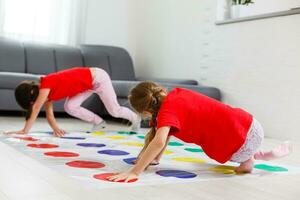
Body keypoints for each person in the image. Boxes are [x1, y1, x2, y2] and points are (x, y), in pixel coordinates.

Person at [108, 81, 292, 182]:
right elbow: (163, 138)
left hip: (238, 144)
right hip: (251, 124)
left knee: (226, 147)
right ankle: (259, 155)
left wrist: (135, 171)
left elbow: (159, 141)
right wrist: (155, 158)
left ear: (147, 112)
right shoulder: (177, 94)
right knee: (227, 136)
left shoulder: (166, 113)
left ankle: (251, 158)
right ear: (161, 91)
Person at [6, 67, 140, 136]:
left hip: (98, 78)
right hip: (87, 85)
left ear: (32, 93)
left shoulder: (45, 84)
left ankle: (136, 118)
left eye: (32, 101)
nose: (36, 104)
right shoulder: (47, 95)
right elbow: (49, 114)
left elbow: (35, 109)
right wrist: (56, 129)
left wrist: (25, 130)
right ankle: (99, 123)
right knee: (70, 106)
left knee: (114, 111)